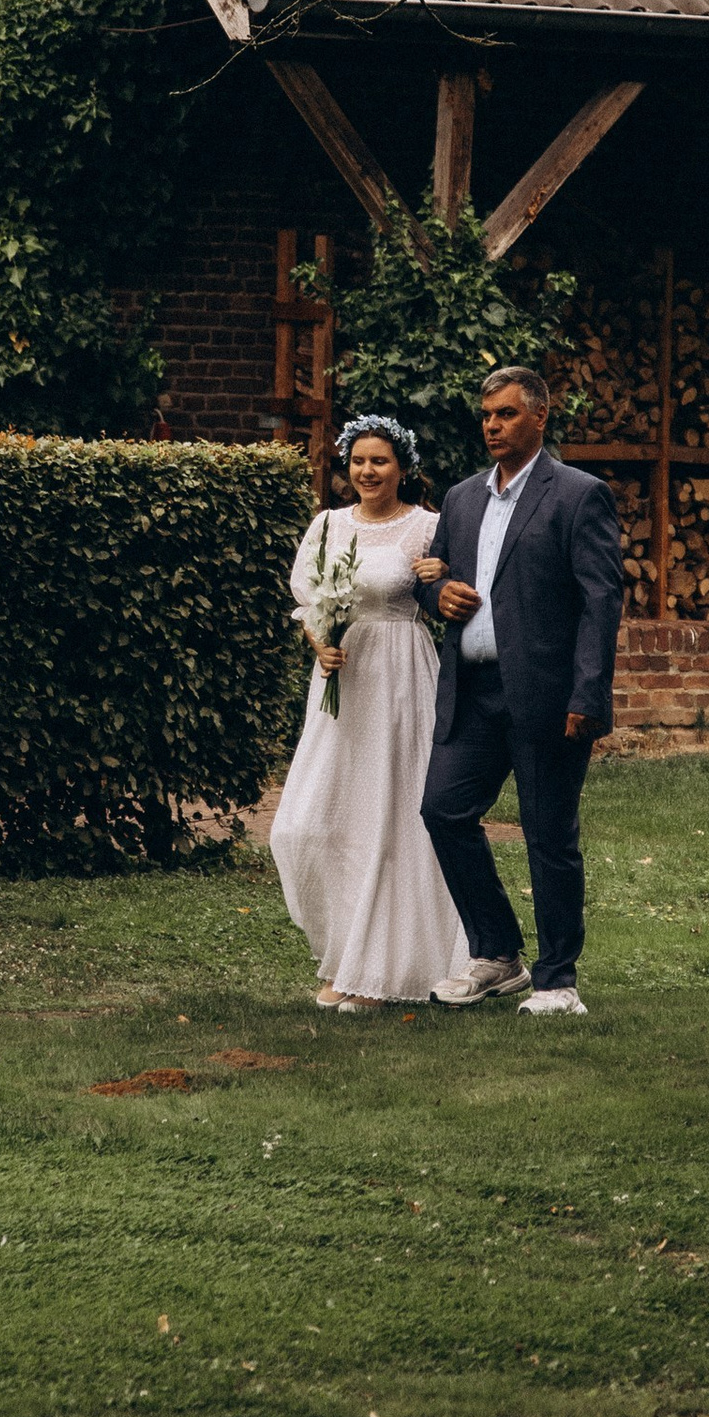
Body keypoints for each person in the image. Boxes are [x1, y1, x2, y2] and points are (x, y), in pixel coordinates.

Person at [422, 365, 622, 1016]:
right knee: (443, 810)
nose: (492, 426)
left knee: (547, 835)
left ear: (539, 416)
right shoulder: (461, 499)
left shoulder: (579, 495)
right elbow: (434, 576)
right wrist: (437, 594)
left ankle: (557, 981)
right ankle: (497, 955)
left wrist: (588, 694)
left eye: (506, 414)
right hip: (472, 691)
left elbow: (599, 602)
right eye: (486, 416)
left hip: (547, 695)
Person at [268, 413, 471, 1011]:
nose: (367, 471)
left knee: (389, 817)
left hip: (401, 677)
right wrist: (320, 645)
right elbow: (307, 601)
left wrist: (441, 574)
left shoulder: (428, 526)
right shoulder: (328, 525)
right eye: (358, 461)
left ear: (402, 468)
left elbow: (454, 591)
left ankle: (379, 970)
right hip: (342, 681)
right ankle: (343, 954)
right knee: (312, 821)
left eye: (379, 461)